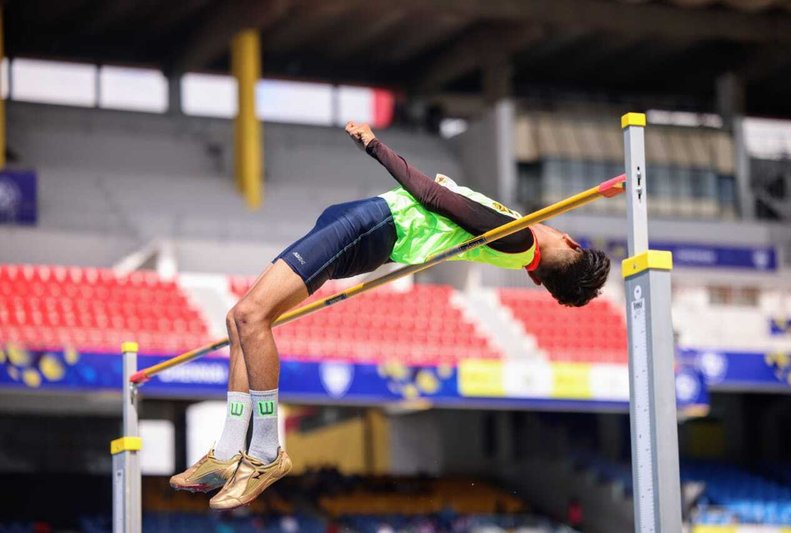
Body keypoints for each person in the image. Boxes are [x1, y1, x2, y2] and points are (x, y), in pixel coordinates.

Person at [169, 122, 611, 510]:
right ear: (540, 282)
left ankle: (264, 451)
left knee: (251, 317)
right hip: (368, 223)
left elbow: (434, 197)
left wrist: (374, 145)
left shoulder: (520, 240)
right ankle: (229, 449)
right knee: (237, 320)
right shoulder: (523, 246)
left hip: (375, 227)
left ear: (571, 244)